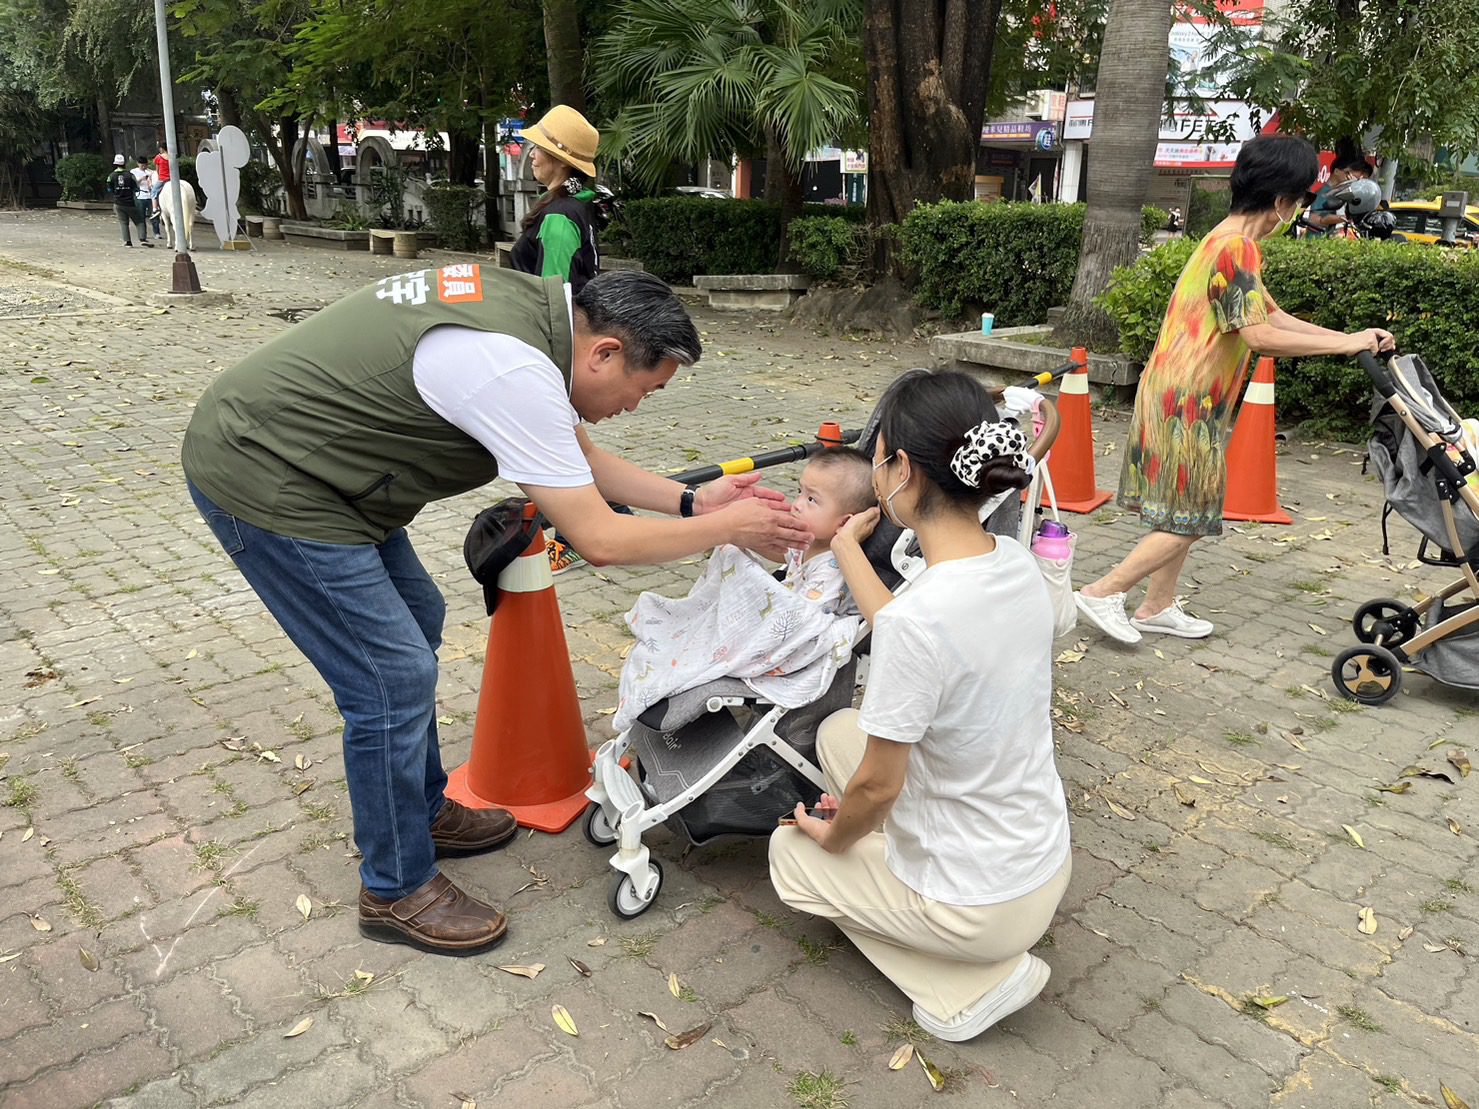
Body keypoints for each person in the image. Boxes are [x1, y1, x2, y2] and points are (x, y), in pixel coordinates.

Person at [181, 267, 811, 957]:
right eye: (643, 389)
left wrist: (694, 503)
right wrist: (729, 528)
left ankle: (417, 812)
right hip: (268, 473)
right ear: (603, 352)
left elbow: (579, 457)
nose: (636, 406)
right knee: (388, 677)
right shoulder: (512, 368)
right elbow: (598, 538)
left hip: (329, 470)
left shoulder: (540, 325)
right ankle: (394, 886)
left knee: (415, 617)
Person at [769, 370, 1073, 1043]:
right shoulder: (1015, 562)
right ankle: (905, 879)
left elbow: (879, 783)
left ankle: (971, 985)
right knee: (842, 730)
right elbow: (912, 626)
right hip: (1038, 857)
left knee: (789, 857)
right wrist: (847, 547)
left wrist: (838, 835)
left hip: (980, 905)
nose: (873, 473)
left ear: (901, 468)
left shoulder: (921, 622)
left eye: (875, 458)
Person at [1073, 134, 1395, 645]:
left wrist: (1351, 340)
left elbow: (1272, 315)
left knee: (1188, 508)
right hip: (1185, 401)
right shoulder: (1235, 247)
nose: (1297, 210)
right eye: (1298, 199)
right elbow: (1260, 337)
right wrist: (1343, 346)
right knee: (1195, 516)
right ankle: (1101, 592)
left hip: (1188, 397)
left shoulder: (1227, 241)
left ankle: (1156, 606)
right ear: (1279, 201)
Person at [614, 449, 876, 731]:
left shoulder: (833, 566)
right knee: (731, 553)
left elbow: (806, 620)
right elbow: (784, 557)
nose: (797, 504)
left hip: (790, 635)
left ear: (845, 522)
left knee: (737, 567)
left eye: (811, 499)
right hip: (780, 614)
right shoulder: (809, 542)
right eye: (799, 492)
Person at [506, 105, 614, 577]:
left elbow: (553, 291)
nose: (532, 155)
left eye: (541, 148)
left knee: (558, 444)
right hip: (564, 342)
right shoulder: (577, 205)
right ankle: (598, 518)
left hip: (554, 344)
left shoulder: (558, 216)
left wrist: (542, 356)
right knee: (563, 441)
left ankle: (581, 532)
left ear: (561, 159)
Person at [1304, 152, 1373, 237]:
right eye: (1347, 173)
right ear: (1336, 171)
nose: (1350, 178)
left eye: (1356, 178)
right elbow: (1313, 219)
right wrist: (1342, 218)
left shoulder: (1340, 193)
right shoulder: (1323, 194)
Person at [106, 154, 151, 248]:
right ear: (124, 164)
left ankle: (128, 242)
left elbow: (109, 189)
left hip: (118, 203)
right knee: (139, 221)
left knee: (123, 222)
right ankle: (142, 238)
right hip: (131, 202)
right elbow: (136, 188)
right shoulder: (130, 175)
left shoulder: (111, 176)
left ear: (115, 164)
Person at [130, 156, 157, 240]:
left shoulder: (151, 172)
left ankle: (157, 232)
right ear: (138, 164)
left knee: (154, 214)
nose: (144, 167)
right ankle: (143, 234)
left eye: (145, 165)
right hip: (140, 195)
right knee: (141, 216)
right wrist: (142, 178)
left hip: (150, 195)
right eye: (142, 165)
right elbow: (133, 183)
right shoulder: (134, 172)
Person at [151, 141, 171, 223]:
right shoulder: (171, 156)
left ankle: (155, 209)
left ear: (161, 148)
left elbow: (157, 170)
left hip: (162, 179)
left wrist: (159, 177)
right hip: (171, 179)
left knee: (153, 192)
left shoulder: (158, 157)